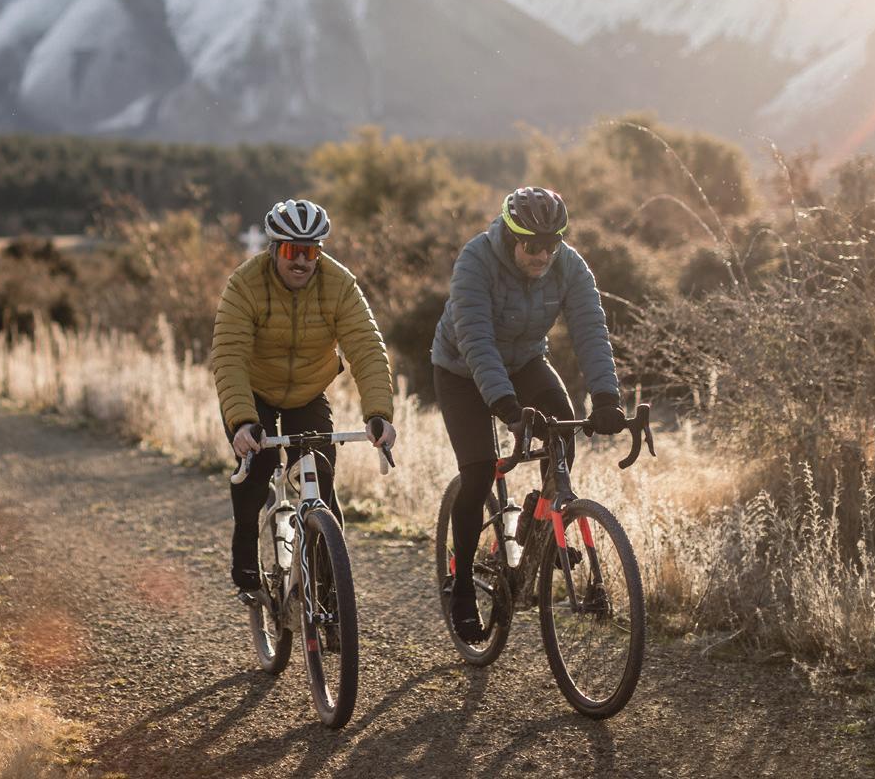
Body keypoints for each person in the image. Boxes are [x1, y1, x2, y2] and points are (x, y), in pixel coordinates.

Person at [430, 186, 626, 641]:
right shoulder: (475, 260)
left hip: (524, 362)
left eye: (551, 244)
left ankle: (536, 535)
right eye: (532, 245)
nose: (542, 255)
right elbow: (476, 338)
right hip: (461, 370)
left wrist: (606, 398)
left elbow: (591, 330)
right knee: (479, 472)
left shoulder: (568, 265)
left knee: (563, 430)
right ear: (509, 235)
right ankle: (461, 587)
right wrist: (504, 405)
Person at [209, 198, 398, 598]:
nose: (301, 261)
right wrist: (242, 421)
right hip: (255, 392)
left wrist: (379, 413)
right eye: (292, 251)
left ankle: (327, 587)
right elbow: (229, 356)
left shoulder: (339, 284)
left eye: (310, 252)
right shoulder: (245, 284)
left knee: (321, 479)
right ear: (275, 249)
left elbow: (366, 347)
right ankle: (245, 549)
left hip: (308, 392)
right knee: (258, 467)